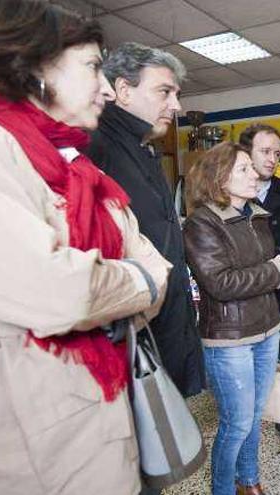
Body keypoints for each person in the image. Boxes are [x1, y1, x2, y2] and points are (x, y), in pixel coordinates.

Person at [0, 1, 173, 493]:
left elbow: (158, 267)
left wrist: (115, 289)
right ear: (32, 66)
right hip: (22, 461)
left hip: (104, 432)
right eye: (93, 67)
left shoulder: (83, 169)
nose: (108, 89)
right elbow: (57, 291)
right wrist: (132, 283)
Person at [85, 42, 205, 398]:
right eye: (164, 92)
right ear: (122, 90)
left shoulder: (139, 149)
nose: (176, 105)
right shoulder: (96, 146)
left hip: (164, 332)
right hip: (132, 341)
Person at [183, 142, 280, 495]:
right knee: (237, 422)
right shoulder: (202, 223)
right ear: (219, 176)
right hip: (229, 339)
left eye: (252, 167)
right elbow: (220, 283)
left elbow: (252, 267)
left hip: (267, 329)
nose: (255, 174)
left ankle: (249, 482)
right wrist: (274, 272)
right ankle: (222, 489)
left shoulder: (256, 215)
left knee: (255, 416)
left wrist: (268, 271)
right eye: (243, 169)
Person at [238, 123, 280, 448]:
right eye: (265, 151)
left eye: (277, 153)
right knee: (247, 365)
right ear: (246, 154)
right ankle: (245, 427)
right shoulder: (233, 197)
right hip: (247, 297)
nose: (272, 158)